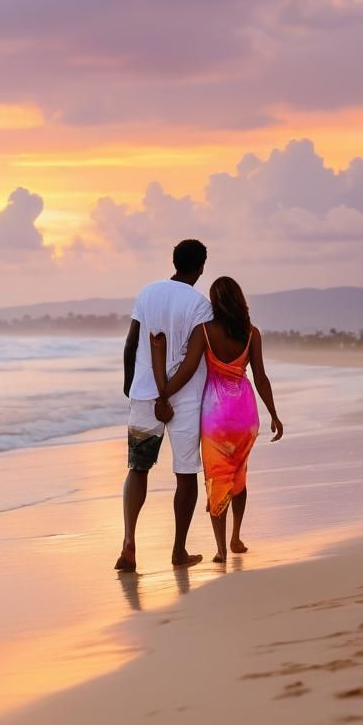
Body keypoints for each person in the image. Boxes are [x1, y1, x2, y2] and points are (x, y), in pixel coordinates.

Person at [151, 276, 283, 561]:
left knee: (217, 478)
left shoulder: (205, 331)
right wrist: (273, 413)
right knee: (239, 476)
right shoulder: (252, 333)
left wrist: (164, 393)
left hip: (216, 415)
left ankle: (221, 549)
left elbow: (187, 369)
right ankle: (236, 538)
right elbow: (260, 377)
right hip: (246, 415)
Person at [115, 239, 214, 573]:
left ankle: (129, 543)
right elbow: (193, 358)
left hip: (144, 394)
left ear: (174, 262)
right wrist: (167, 395)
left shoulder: (147, 293)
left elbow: (131, 343)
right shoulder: (201, 304)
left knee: (138, 467)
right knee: (185, 473)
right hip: (184, 398)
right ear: (201, 266)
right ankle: (178, 550)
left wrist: (131, 386)